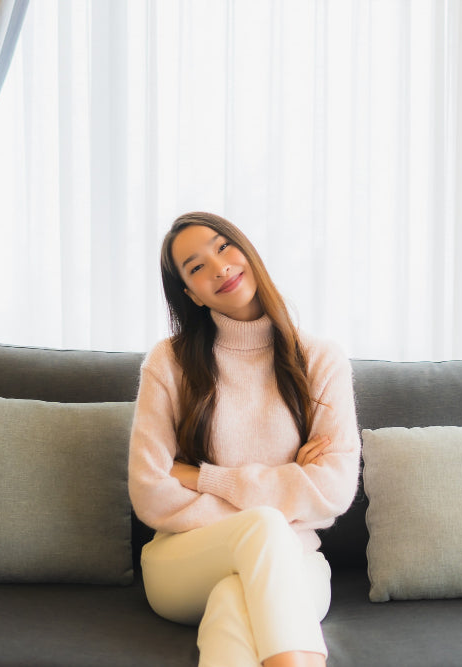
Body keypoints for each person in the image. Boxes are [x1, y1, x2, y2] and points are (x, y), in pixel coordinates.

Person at [128, 212, 361, 667]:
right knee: (264, 525)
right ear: (191, 294)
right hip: (183, 561)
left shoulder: (321, 360)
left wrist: (203, 478)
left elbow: (333, 489)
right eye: (196, 267)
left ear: (247, 250)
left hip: (296, 564)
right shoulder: (169, 362)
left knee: (234, 601)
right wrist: (289, 483)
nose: (219, 268)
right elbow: (150, 492)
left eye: (223, 247)